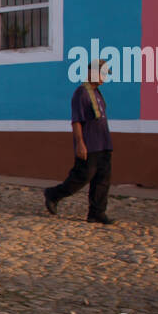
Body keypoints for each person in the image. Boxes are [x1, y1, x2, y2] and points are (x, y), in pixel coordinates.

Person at [44, 58, 114, 224]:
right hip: (90, 145)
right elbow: (76, 121)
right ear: (91, 72)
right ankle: (53, 194)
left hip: (103, 143)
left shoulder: (97, 93)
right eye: (102, 73)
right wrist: (80, 143)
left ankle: (97, 212)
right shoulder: (81, 93)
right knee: (81, 177)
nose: (104, 77)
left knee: (103, 180)